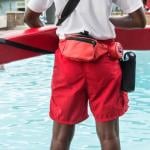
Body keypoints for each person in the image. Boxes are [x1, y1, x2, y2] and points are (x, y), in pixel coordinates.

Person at [24, 0, 146, 150]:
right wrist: (106, 20)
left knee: (60, 137)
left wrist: (59, 34)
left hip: (68, 61)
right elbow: (139, 20)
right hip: (103, 60)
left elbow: (29, 17)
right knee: (109, 135)